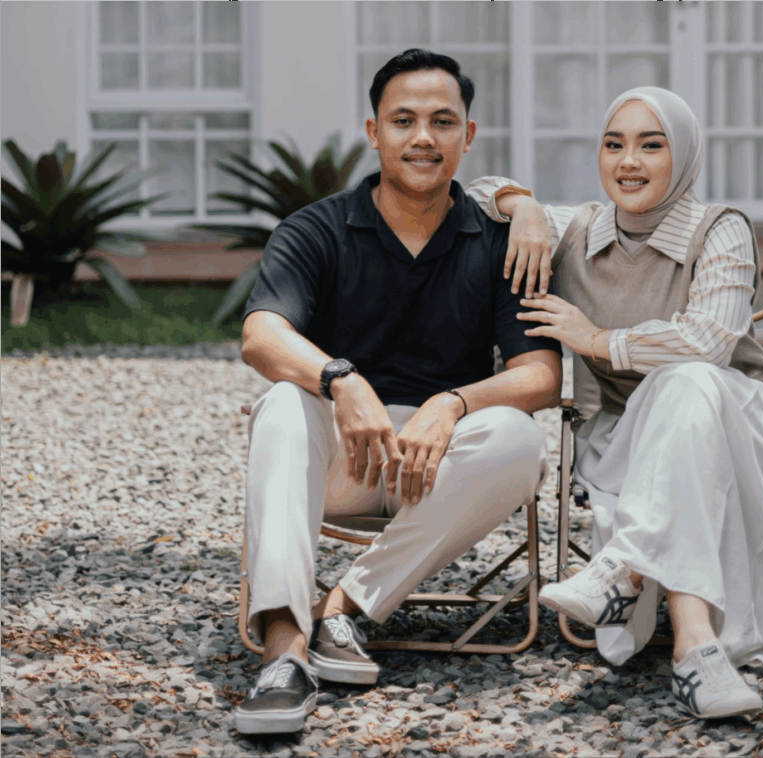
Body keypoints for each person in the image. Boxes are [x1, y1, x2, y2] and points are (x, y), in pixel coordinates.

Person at [465, 86, 763, 719]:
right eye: (614, 144)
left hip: (747, 434)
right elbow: (471, 194)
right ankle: (695, 651)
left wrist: (596, 340)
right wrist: (522, 206)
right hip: (631, 442)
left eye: (651, 145)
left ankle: (626, 573)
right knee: (677, 395)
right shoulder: (577, 229)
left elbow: (709, 342)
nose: (628, 161)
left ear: (683, 155)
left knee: (688, 381)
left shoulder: (720, 229)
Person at [233, 49, 562, 735]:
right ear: (373, 132)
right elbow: (261, 335)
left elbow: (540, 375)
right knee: (283, 405)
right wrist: (340, 380)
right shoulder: (317, 229)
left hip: (439, 470)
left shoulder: (501, 242)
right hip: (344, 460)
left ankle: (343, 608)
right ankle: (283, 652)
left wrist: (452, 403)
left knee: (519, 438)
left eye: (443, 121)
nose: (423, 138)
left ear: (468, 137)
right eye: (403, 120)